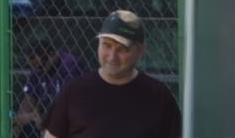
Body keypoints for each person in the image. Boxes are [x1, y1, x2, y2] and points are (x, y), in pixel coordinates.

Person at [43, 10, 180, 138]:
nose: (112, 56)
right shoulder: (73, 92)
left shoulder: (159, 96)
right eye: (106, 45)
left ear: (141, 51)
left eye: (122, 49)